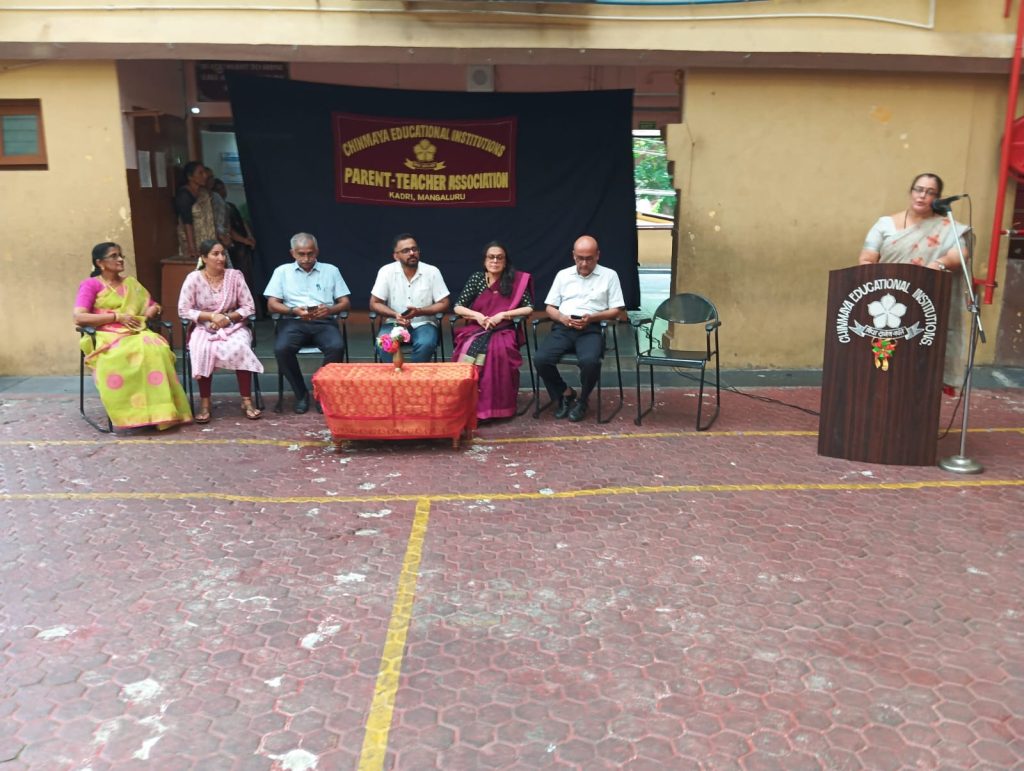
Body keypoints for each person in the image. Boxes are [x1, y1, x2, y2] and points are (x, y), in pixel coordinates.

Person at [858, 172, 973, 389]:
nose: (922, 196)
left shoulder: (948, 228)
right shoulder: (885, 224)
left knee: (918, 364)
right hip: (885, 302)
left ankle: (917, 403)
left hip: (926, 303)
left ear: (937, 198)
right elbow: (866, 259)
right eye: (919, 190)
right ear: (911, 192)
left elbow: (960, 254)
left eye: (930, 192)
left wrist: (937, 264)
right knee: (884, 361)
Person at [73, 242, 192, 430]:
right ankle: (132, 413)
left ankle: (160, 412)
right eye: (114, 256)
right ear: (100, 263)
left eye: (121, 255)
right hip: (105, 336)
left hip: (136, 332)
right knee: (124, 355)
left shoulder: (131, 284)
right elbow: (79, 317)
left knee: (156, 349)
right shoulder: (91, 285)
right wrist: (116, 317)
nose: (120, 259)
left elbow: (154, 305)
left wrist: (151, 312)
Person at [534, 235, 625, 423]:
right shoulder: (563, 275)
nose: (584, 263)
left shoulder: (610, 275)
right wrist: (562, 317)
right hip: (564, 326)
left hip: (592, 327)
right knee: (541, 359)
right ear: (573, 256)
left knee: (590, 362)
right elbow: (550, 307)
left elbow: (616, 309)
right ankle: (565, 393)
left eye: (589, 258)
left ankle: (583, 401)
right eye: (580, 258)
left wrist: (592, 317)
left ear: (597, 255)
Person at [178, 239, 265, 423]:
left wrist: (227, 318)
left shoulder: (235, 276)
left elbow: (249, 307)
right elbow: (183, 310)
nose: (221, 258)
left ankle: (246, 401)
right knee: (201, 348)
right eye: (215, 254)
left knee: (241, 347)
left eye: (223, 254)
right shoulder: (193, 278)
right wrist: (211, 317)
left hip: (233, 326)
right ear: (204, 258)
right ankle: (205, 402)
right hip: (204, 326)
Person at [264, 232, 351, 413]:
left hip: (324, 321)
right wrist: (292, 310)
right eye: (301, 254)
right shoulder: (282, 272)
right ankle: (301, 393)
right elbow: (272, 304)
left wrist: (329, 310)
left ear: (316, 251)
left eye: (310, 253)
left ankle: (322, 393)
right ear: (292, 253)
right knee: (281, 349)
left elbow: (345, 302)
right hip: (294, 321)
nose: (306, 258)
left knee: (336, 347)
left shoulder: (331, 270)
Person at [452, 242, 534, 420]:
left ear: (505, 262)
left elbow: (528, 308)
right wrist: (477, 316)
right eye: (491, 257)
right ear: (484, 260)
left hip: (504, 329)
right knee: (466, 347)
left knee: (497, 351)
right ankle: (470, 404)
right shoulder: (477, 279)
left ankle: (498, 406)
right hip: (478, 328)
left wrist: (503, 315)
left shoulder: (513, 281)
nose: (495, 261)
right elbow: (458, 307)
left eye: (499, 257)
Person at [369, 233, 451, 362]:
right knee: (384, 344)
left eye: (414, 249)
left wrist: (419, 311)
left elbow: (444, 303)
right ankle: (393, 374)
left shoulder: (432, 271)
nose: (412, 253)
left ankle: (416, 375)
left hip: (424, 323)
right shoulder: (386, 271)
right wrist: (395, 314)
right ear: (396, 256)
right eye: (406, 251)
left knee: (426, 344)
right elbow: (374, 303)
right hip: (394, 323)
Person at [212, 178, 259, 313]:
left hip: (244, 246)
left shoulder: (230, 206)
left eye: (223, 188)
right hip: (235, 249)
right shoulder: (217, 212)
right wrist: (244, 240)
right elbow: (229, 230)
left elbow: (242, 221)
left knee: (249, 279)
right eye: (218, 189)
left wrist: (249, 236)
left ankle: (252, 310)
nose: (222, 191)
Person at [175, 161, 218, 262]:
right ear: (190, 177)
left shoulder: (203, 192)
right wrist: (192, 247)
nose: (205, 176)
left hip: (208, 240)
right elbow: (187, 222)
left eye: (205, 172)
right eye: (200, 173)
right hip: (193, 241)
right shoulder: (184, 195)